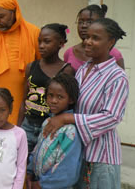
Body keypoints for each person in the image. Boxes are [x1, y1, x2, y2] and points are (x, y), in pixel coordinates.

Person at [42, 18, 129, 189]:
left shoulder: (116, 76)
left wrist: (68, 118)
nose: (88, 42)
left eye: (95, 38)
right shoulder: (82, 70)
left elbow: (111, 117)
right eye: (87, 37)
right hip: (77, 151)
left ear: (110, 42)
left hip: (101, 156)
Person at [17, 23, 75, 154]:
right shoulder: (31, 67)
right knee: (22, 162)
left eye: (47, 42)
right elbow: (24, 100)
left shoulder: (66, 70)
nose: (41, 46)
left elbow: (68, 103)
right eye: (39, 42)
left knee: (42, 163)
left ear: (61, 43)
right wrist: (18, 127)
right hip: (28, 125)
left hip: (50, 126)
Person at [27, 73, 82, 189]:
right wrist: (30, 171)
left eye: (60, 97)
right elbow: (37, 150)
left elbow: (67, 170)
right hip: (39, 181)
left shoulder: (70, 131)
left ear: (71, 99)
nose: (53, 100)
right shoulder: (48, 122)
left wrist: (42, 185)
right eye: (50, 95)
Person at [64, 4, 124, 71]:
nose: (83, 25)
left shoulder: (114, 54)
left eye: (89, 21)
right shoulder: (69, 52)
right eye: (80, 22)